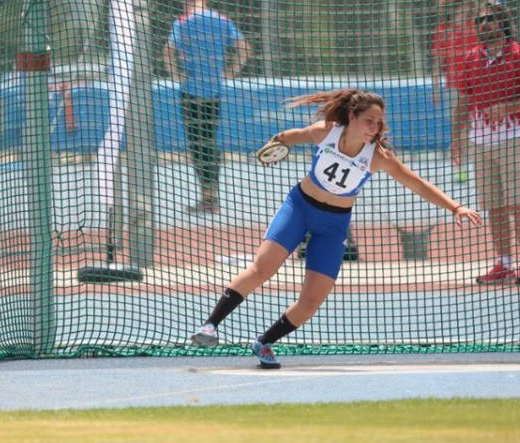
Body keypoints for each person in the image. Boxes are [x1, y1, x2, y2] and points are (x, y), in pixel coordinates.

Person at [189, 89, 482, 369]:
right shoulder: (325, 131)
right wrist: (275, 145)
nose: (374, 127)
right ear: (352, 117)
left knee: (313, 299)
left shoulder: (378, 156)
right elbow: (288, 137)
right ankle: (210, 324)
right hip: (299, 208)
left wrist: (455, 207)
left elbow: (417, 183)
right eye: (369, 120)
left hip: (334, 224)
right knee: (262, 268)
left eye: (378, 122)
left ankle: (264, 343)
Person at [454, 2, 520, 285]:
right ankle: (504, 263)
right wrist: (456, 138)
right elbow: (464, 100)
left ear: (503, 23)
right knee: (494, 207)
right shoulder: (470, 59)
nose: (484, 25)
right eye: (480, 20)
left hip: (514, 140)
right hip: (480, 143)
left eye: (490, 20)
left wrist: (506, 108)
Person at [162, 0, 253, 214]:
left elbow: (167, 51)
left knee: (197, 143)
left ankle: (207, 195)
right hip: (214, 89)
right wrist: (230, 72)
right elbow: (244, 48)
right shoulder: (221, 20)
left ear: (185, 1)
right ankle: (212, 193)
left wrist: (176, 75)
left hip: (191, 89)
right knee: (210, 141)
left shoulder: (182, 22)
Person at [433, 0, 480, 183]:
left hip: (476, 84)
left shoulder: (476, 27)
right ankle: (459, 167)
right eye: (459, 5)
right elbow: (437, 61)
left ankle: (475, 164)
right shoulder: (443, 31)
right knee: (458, 127)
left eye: (467, 5)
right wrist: (436, 88)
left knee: (475, 126)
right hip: (454, 85)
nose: (464, 9)